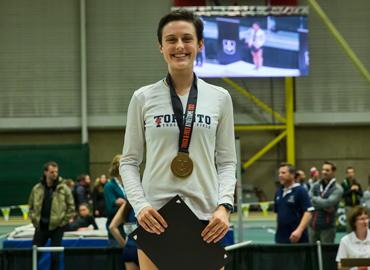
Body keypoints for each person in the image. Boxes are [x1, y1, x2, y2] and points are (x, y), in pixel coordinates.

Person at [120, 9, 236, 270]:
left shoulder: (220, 98)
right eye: (171, 40)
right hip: (156, 219)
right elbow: (128, 161)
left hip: (206, 221)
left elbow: (227, 161)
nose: (179, 46)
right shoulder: (143, 98)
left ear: (200, 45)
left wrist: (224, 207)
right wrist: (140, 206)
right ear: (161, 46)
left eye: (187, 38)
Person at [28, 161, 75, 270]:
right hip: (40, 227)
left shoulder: (64, 188)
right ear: (45, 173)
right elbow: (30, 207)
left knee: (55, 257)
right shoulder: (37, 189)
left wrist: (63, 222)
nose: (55, 174)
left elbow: (71, 207)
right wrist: (34, 220)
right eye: (52, 172)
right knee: (34, 255)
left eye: (56, 172)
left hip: (57, 228)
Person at [274, 163, 313, 243]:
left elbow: (308, 212)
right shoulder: (278, 192)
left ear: (292, 175)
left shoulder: (301, 191)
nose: (280, 175)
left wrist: (299, 230)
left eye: (283, 173)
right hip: (281, 237)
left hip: (297, 237)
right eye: (279, 173)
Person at [309, 161, 344, 243]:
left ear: (334, 172)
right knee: (312, 254)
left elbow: (328, 203)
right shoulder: (316, 185)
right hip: (312, 226)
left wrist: (314, 201)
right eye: (323, 170)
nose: (324, 172)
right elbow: (308, 199)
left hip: (327, 228)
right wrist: (324, 206)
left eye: (327, 170)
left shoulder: (338, 189)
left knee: (326, 254)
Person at [336, 206, 370, 270]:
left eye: (367, 218)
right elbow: (340, 266)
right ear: (354, 222)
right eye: (362, 219)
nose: (365, 222)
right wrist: (356, 266)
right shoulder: (345, 241)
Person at [105, 154, 127, 245]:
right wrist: (125, 205)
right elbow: (110, 209)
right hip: (116, 229)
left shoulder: (127, 184)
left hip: (128, 226)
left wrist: (122, 203)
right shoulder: (109, 186)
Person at [109, 200, 139, 270]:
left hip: (129, 248)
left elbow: (112, 227)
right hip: (145, 249)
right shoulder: (148, 202)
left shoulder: (127, 204)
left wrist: (124, 244)